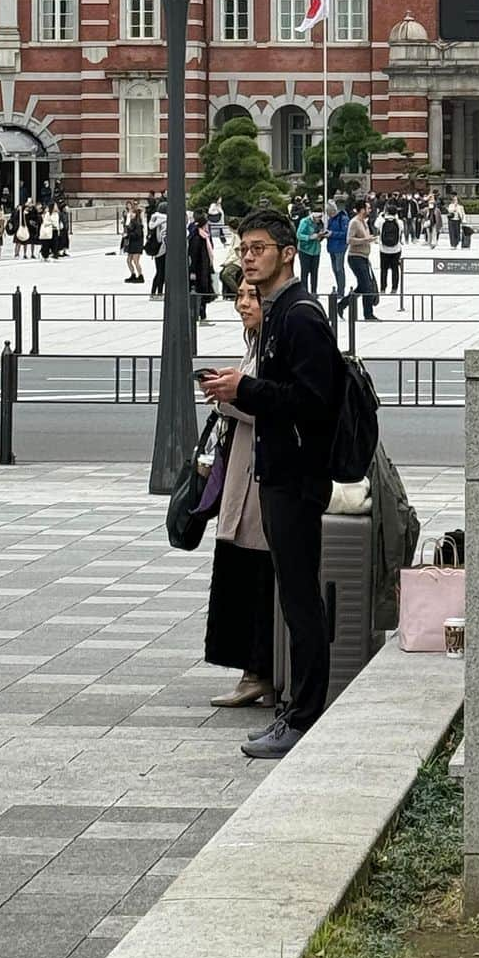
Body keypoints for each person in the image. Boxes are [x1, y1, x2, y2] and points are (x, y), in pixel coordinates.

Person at [201, 208, 348, 760]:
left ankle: (304, 716)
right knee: (293, 595)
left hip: (297, 475)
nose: (248, 257)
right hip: (280, 471)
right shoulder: (278, 313)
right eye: (243, 249)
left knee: (301, 598)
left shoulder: (300, 315)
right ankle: (296, 710)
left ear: (288, 253)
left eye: (259, 248)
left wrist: (246, 390)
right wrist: (243, 387)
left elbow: (315, 402)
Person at [203, 279, 276, 710]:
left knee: (256, 572)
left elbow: (266, 403)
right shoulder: (255, 341)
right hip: (243, 475)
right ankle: (255, 670)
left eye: (253, 298)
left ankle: (260, 671)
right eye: (240, 297)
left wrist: (226, 397)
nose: (243, 305)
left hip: (258, 478)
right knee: (243, 568)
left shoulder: (275, 341)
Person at [341, 197, 379, 321]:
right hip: (355, 257)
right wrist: (365, 240)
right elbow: (349, 240)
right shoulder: (355, 222)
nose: (370, 210)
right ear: (362, 209)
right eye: (368, 208)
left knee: (364, 286)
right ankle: (368, 314)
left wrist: (370, 238)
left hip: (364, 257)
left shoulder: (364, 222)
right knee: (366, 286)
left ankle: (342, 305)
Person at [188, 210, 215, 324]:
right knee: (200, 293)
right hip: (199, 271)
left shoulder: (204, 236)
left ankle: (202, 316)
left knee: (203, 293)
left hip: (204, 269)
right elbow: (193, 255)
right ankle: (200, 316)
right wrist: (193, 271)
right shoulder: (197, 238)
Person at [325, 200, 349, 300]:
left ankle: (341, 290)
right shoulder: (330, 220)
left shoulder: (343, 219)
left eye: (330, 213)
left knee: (339, 269)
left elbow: (345, 234)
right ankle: (338, 288)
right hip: (331, 247)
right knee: (335, 269)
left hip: (340, 247)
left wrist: (332, 234)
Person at [295, 206, 322, 295]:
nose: (319, 219)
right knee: (305, 271)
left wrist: (322, 236)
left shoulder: (320, 223)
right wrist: (310, 237)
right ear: (313, 216)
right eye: (318, 217)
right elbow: (299, 235)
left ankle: (314, 292)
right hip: (305, 250)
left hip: (316, 250)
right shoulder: (305, 222)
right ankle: (304, 292)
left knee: (315, 272)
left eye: (320, 217)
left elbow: (320, 233)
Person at [378, 200, 403, 295]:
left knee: (383, 269)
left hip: (383, 249)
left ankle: (383, 288)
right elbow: (401, 231)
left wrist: (382, 214)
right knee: (395, 269)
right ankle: (394, 288)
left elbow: (376, 225)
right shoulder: (399, 222)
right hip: (396, 249)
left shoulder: (381, 221)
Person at [147, 199, 167, 298]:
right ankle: (159, 293)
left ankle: (154, 292)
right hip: (163, 249)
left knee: (159, 271)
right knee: (162, 272)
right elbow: (162, 237)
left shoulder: (154, 219)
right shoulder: (164, 221)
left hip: (156, 250)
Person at [122, 202, 144, 282]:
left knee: (135, 261)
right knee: (128, 260)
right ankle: (133, 274)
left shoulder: (138, 223)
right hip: (132, 244)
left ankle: (140, 275)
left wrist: (128, 234)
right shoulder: (131, 222)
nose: (131, 214)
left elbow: (137, 234)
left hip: (137, 244)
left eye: (133, 213)